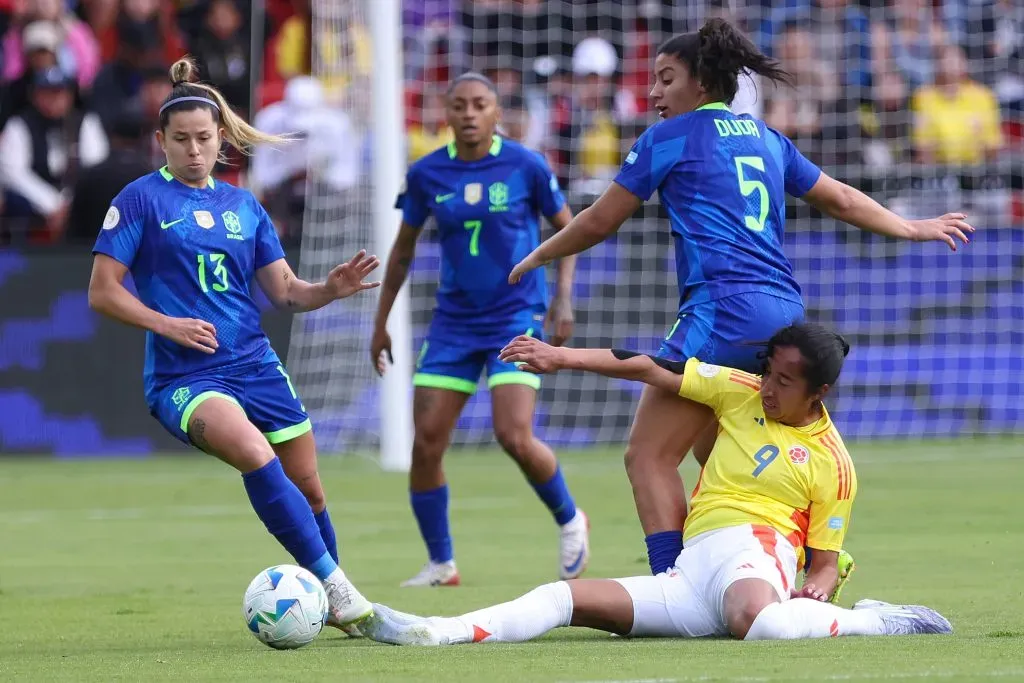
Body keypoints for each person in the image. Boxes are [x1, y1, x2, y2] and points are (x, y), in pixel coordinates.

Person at [506, 18, 975, 576]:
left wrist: (540, 254)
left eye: (666, 78)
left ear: (700, 84)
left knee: (649, 456)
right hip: (782, 311)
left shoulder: (669, 137)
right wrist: (913, 227)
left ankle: (673, 583)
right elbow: (843, 199)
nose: (654, 92)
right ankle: (808, 554)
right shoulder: (766, 137)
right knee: (719, 451)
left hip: (721, 311)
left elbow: (600, 220)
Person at [359, 323, 954, 646]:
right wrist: (559, 357)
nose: (768, 388)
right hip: (690, 577)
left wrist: (820, 590)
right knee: (564, 598)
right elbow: (647, 366)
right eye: (768, 372)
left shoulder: (833, 462)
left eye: (785, 381)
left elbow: (824, 562)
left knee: (765, 624)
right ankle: (433, 631)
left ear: (819, 392)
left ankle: (885, 620)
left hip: (758, 556)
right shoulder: (737, 390)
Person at [87, 56, 378, 631]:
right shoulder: (141, 199)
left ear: (222, 138)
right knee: (253, 452)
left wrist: (330, 289)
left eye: (203, 138)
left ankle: (331, 610)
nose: (193, 150)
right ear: (160, 141)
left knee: (312, 491)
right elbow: (102, 292)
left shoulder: (246, 206)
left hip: (256, 364)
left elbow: (287, 293)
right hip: (186, 378)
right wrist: (166, 324)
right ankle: (341, 591)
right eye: (180, 140)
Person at [372, 72, 589, 587]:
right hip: (453, 323)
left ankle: (570, 519)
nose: (469, 114)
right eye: (459, 105)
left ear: (496, 113)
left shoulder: (525, 164)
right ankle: (441, 564)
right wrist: (380, 323)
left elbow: (570, 229)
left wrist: (563, 298)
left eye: (480, 105)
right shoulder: (426, 174)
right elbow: (402, 252)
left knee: (513, 434)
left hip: (515, 316)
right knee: (425, 443)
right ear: (445, 114)